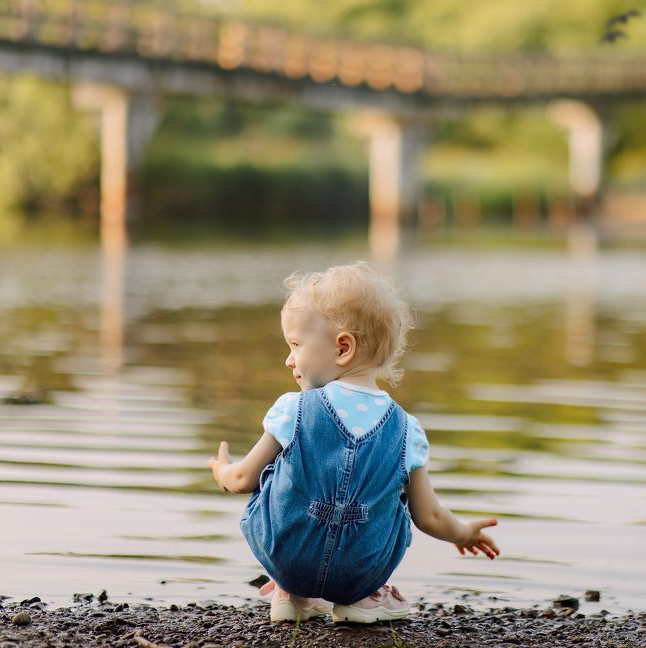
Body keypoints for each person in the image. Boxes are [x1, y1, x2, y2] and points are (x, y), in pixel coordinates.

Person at [207, 262, 499, 624]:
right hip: (359, 572)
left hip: (285, 557)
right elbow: (430, 516)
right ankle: (364, 599)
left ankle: (291, 592)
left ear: (343, 347)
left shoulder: (293, 408)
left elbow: (241, 482)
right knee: (398, 502)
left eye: (296, 345)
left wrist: (222, 470)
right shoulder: (407, 430)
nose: (288, 359)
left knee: (271, 473)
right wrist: (463, 531)